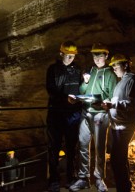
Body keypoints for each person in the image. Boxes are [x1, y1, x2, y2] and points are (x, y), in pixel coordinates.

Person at [69, 43, 117, 192]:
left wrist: (106, 102)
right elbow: (83, 90)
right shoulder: (90, 70)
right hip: (86, 111)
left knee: (99, 147)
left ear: (106, 56)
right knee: (83, 145)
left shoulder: (110, 74)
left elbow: (113, 95)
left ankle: (99, 178)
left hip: (100, 115)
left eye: (100, 55)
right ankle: (83, 178)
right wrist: (86, 82)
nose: (97, 58)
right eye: (95, 55)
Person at [46, 41, 83, 192]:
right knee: (54, 148)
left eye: (73, 56)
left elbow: (81, 88)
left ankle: (70, 177)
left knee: (71, 148)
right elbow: (51, 90)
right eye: (68, 56)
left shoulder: (78, 70)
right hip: (56, 114)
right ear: (61, 54)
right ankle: (54, 179)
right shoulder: (53, 69)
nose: (70, 58)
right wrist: (65, 98)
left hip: (73, 115)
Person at [101, 54, 135, 192]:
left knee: (116, 160)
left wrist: (112, 105)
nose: (113, 69)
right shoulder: (120, 81)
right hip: (117, 126)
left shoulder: (133, 80)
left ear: (125, 65)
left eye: (116, 65)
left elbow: (132, 103)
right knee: (120, 158)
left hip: (125, 126)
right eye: (112, 66)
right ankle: (125, 187)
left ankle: (123, 188)